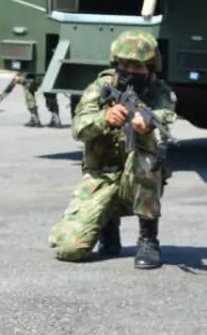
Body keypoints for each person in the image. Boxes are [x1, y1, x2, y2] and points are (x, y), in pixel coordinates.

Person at [48, 31, 176, 270]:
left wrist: (145, 128)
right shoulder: (100, 87)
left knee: (147, 162)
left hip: (136, 178)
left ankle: (148, 239)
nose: (131, 71)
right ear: (116, 64)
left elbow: (163, 125)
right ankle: (108, 226)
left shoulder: (161, 93)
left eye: (139, 66)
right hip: (101, 177)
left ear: (151, 68)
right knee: (69, 248)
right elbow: (78, 129)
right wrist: (105, 117)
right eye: (125, 65)